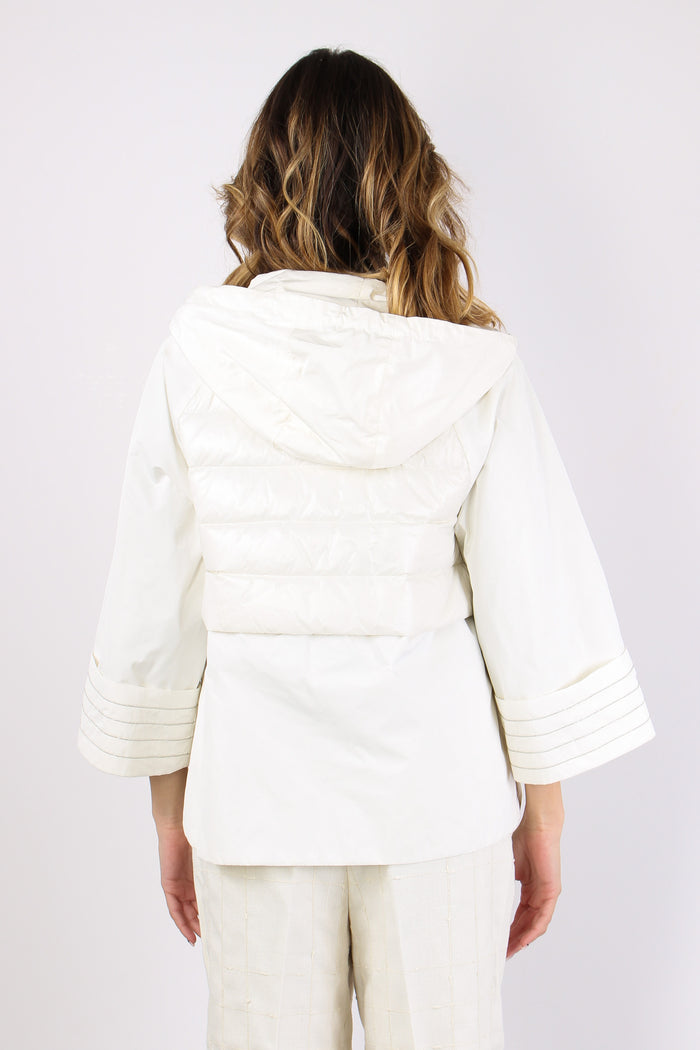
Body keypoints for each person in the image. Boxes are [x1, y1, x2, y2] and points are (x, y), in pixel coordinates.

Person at [77, 46, 656, 1050]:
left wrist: (170, 815)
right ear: (409, 180)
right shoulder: (470, 364)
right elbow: (534, 605)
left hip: (254, 804)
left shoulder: (196, 356)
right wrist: (544, 820)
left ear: (262, 183)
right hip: (438, 806)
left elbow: (154, 612)